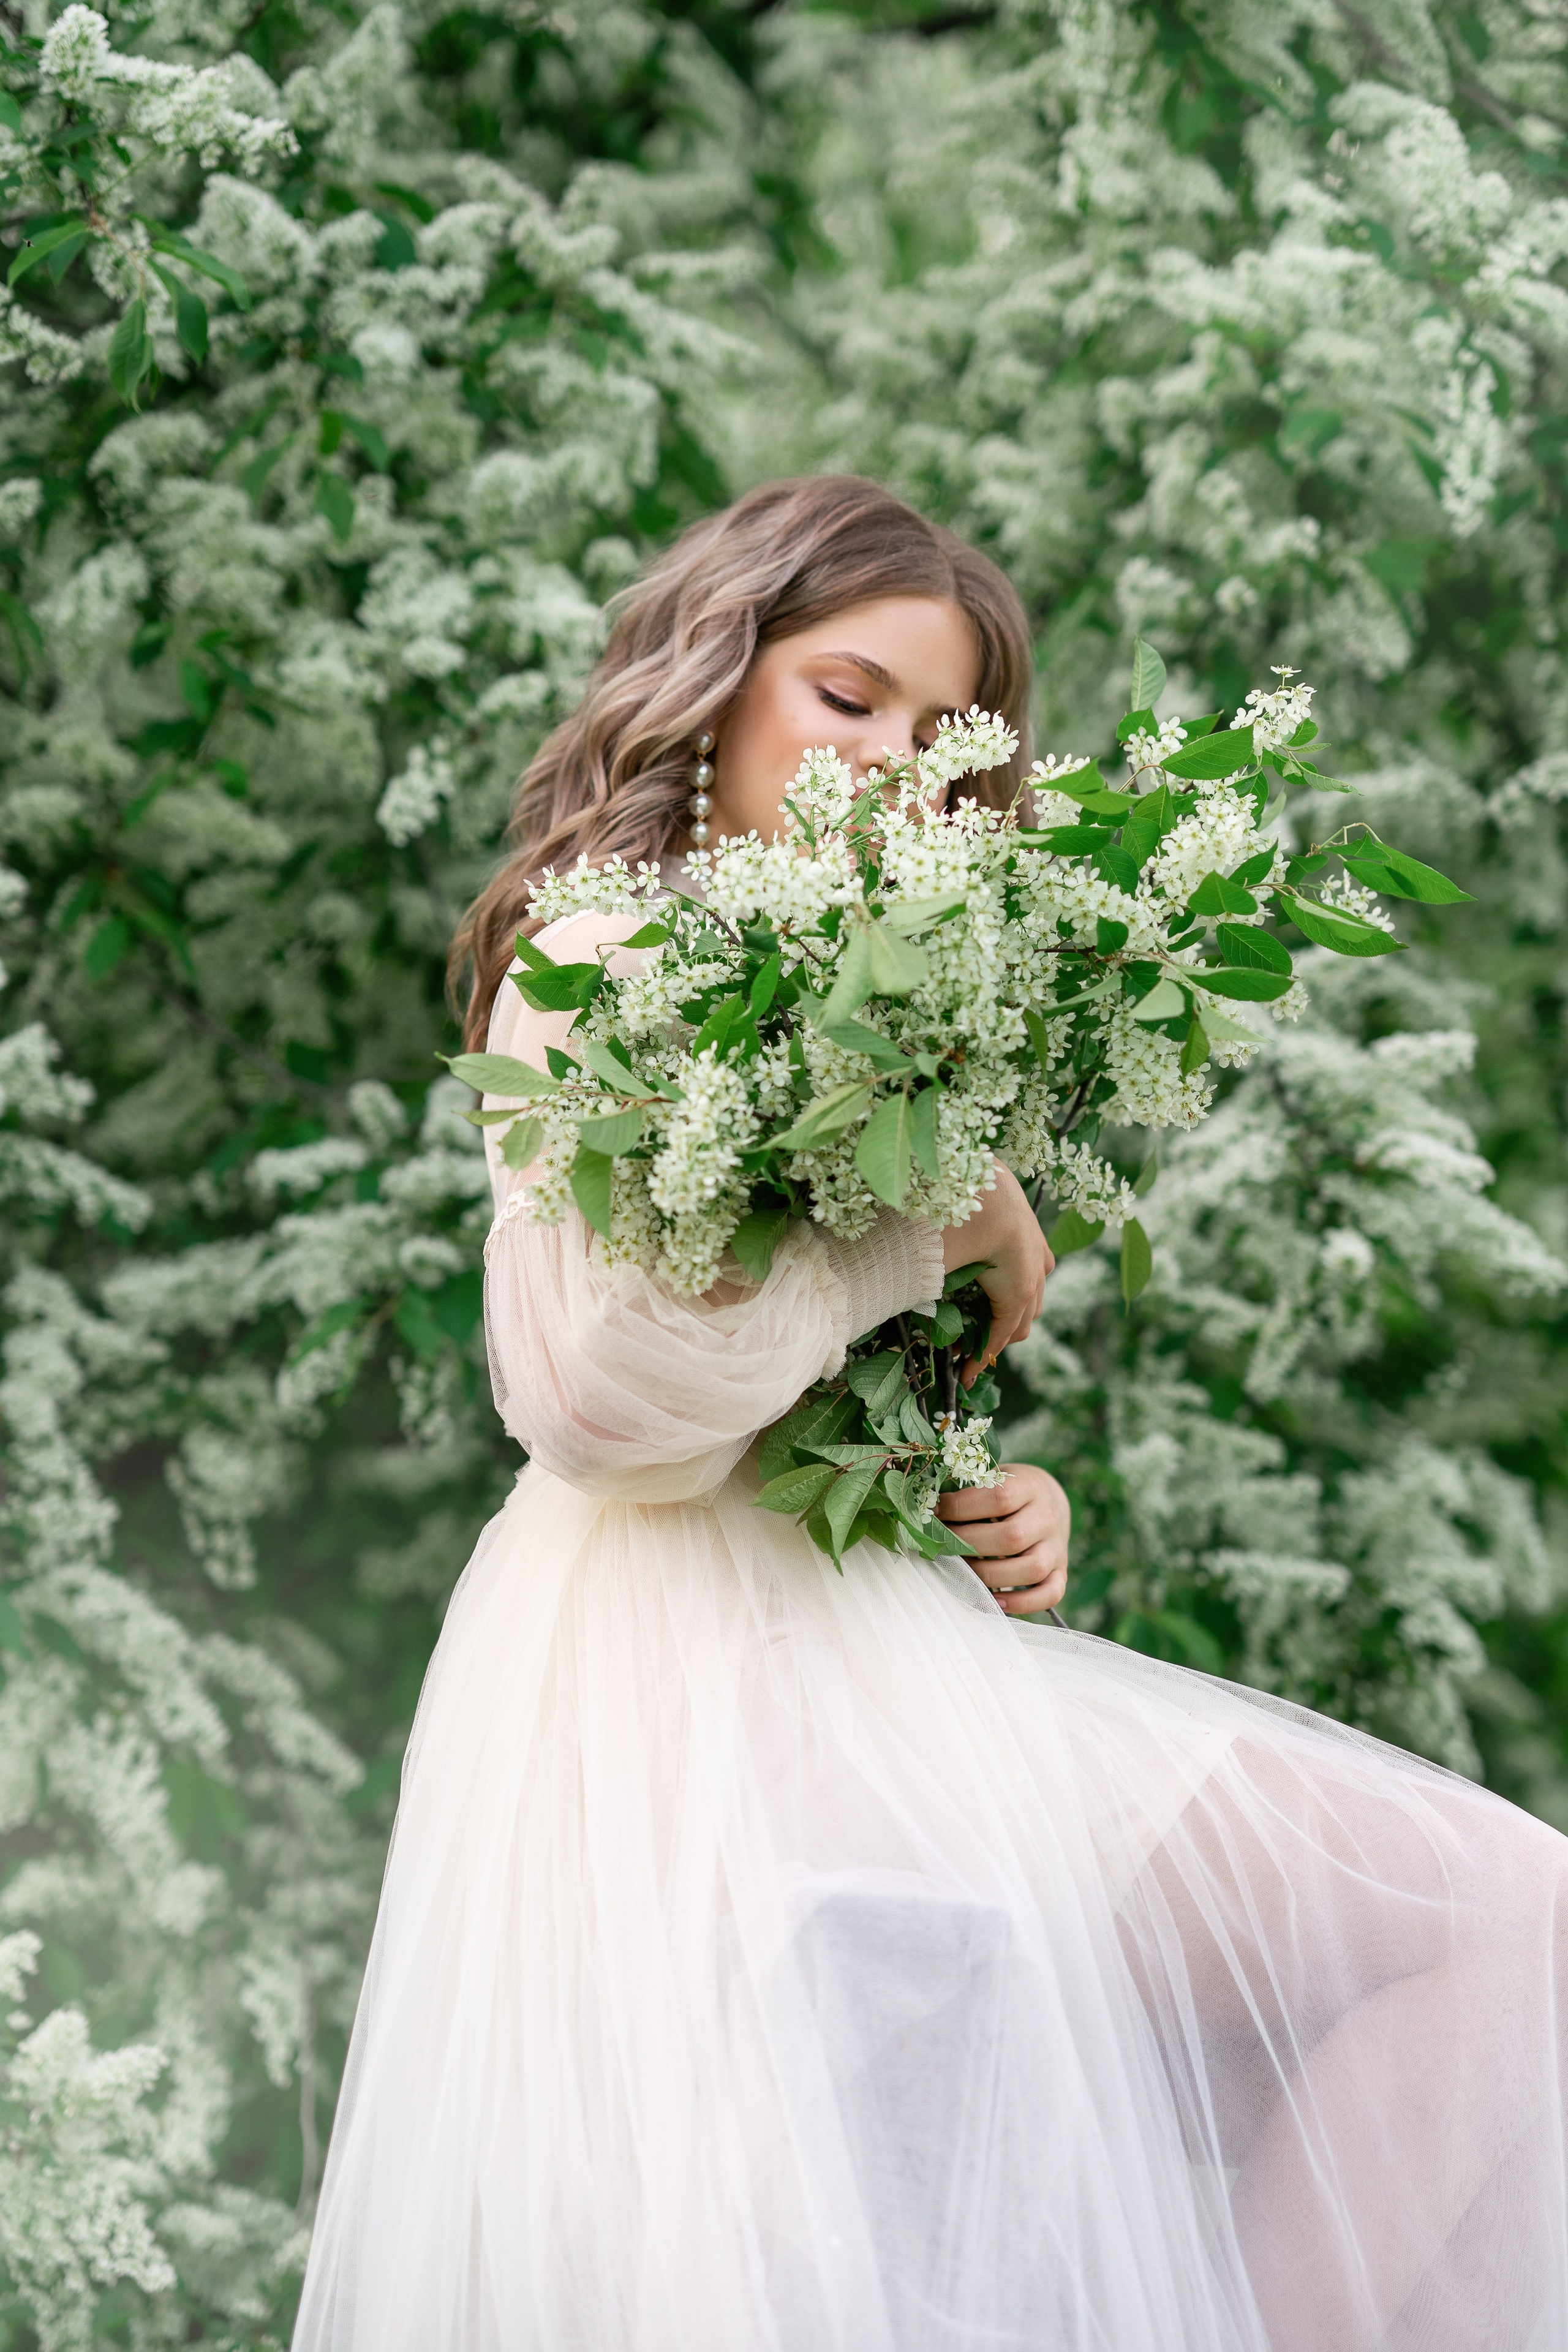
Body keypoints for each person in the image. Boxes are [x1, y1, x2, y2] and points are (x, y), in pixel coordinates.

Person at [293, 477, 1568, 2352]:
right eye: (846, 696)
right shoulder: (595, 964)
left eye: (936, 733)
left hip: (887, 1657)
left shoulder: (914, 1007)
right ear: (720, 688)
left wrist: (996, 1491)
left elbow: (840, 1410)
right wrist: (929, 1233)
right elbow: (598, 1398)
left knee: (1496, 1915)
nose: (893, 762)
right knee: (800, 2273)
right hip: (679, 1684)